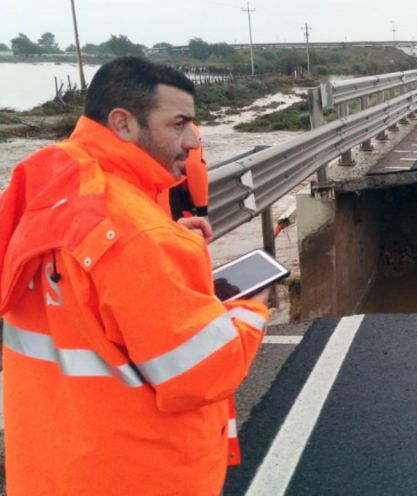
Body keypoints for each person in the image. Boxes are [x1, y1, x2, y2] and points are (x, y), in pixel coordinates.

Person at [0, 56, 269, 495]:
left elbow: (82, 293)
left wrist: (163, 244)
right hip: (136, 474)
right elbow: (199, 373)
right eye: (179, 123)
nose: (191, 142)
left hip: (50, 469)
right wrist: (247, 312)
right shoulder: (134, 233)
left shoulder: (49, 184)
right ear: (123, 124)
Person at [164, 123, 209, 220]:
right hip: (174, 198)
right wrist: (202, 210)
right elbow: (194, 166)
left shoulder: (136, 128)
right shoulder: (188, 128)